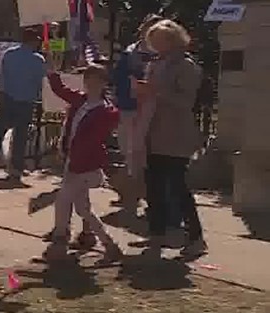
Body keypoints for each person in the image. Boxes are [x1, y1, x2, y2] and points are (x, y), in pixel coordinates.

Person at [136, 19, 207, 257]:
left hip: (176, 134)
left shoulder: (187, 66)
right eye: (153, 40)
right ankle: (157, 234)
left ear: (174, 39)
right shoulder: (155, 64)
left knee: (177, 186)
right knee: (153, 186)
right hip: (152, 132)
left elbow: (185, 101)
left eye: (161, 40)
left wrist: (156, 91)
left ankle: (195, 236)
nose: (156, 45)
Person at [44, 60, 123, 261]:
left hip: (86, 164)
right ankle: (109, 244)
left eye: (96, 80)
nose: (91, 84)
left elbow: (91, 141)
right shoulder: (81, 100)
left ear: (104, 83)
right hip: (75, 160)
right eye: (88, 79)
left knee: (63, 201)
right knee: (83, 209)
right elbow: (60, 89)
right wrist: (52, 72)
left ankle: (59, 243)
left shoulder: (107, 111)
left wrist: (75, 162)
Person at [111, 14, 161, 207]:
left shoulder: (163, 55)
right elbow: (118, 77)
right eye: (148, 27)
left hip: (152, 111)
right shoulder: (130, 52)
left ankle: (144, 194)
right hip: (128, 107)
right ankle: (130, 193)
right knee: (128, 150)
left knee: (147, 154)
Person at [0, 27, 47, 181]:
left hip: (8, 97)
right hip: (26, 100)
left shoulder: (9, 55)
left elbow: (1, 77)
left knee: (0, 129)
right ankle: (16, 166)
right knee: (20, 135)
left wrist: (0, 94)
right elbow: (40, 82)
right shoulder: (38, 60)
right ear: (33, 41)